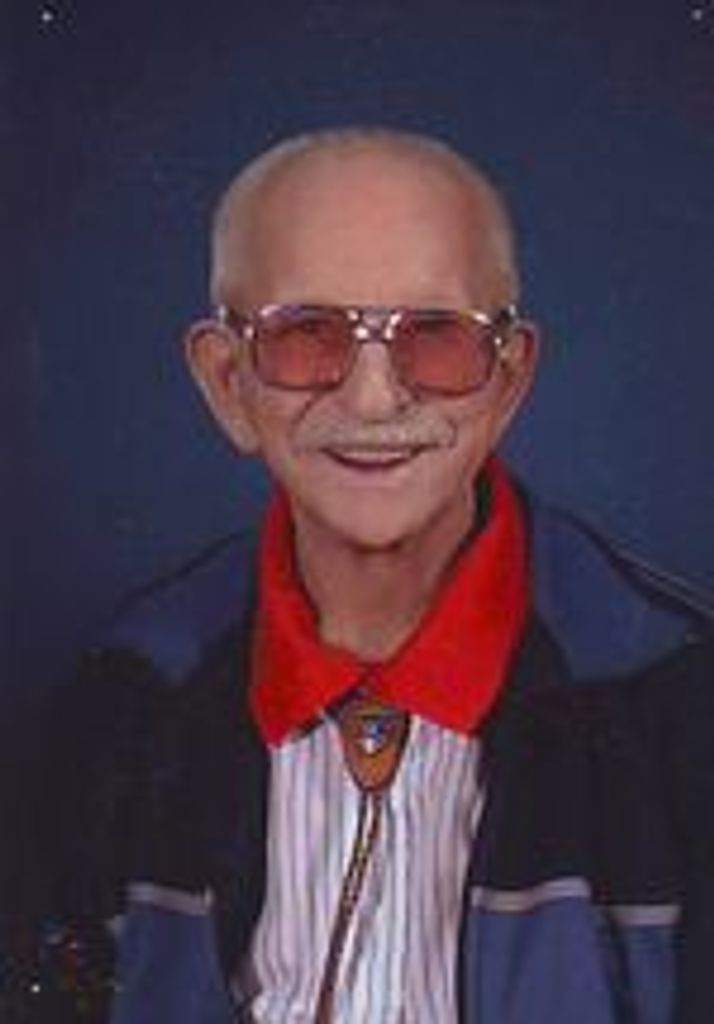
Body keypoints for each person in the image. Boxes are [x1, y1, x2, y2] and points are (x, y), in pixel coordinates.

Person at [56, 127, 712, 1023]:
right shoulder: (128, 697)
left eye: (436, 336)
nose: (372, 398)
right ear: (227, 382)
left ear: (510, 380)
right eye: (306, 335)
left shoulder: (678, 701)